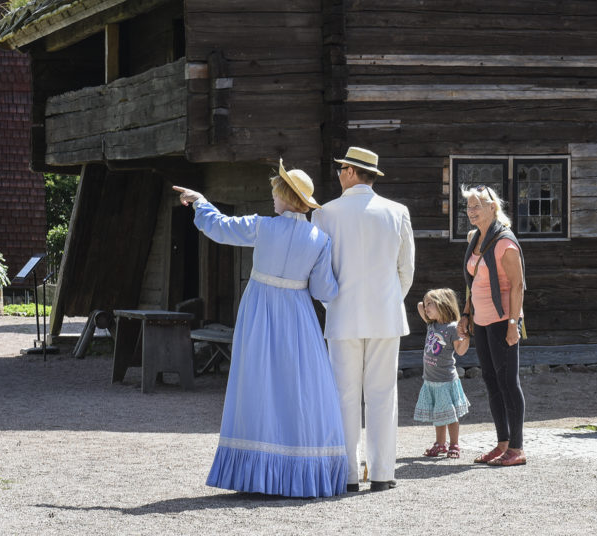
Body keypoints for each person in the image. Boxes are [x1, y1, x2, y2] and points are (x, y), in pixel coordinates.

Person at [172, 161, 347, 498]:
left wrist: (199, 201)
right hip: (298, 315)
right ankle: (300, 472)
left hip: (260, 312)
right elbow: (326, 291)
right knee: (298, 387)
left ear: (284, 196)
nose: (273, 199)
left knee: (258, 383)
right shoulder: (319, 239)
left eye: (275, 194)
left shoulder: (263, 227)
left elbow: (220, 227)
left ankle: (258, 474)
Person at [311, 146, 415, 492]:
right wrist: (386, 301)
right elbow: (406, 271)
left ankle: (347, 474)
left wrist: (335, 304)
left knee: (344, 394)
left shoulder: (325, 213)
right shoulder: (397, 211)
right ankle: (383, 473)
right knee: (383, 394)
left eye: (342, 168)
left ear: (352, 172)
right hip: (386, 314)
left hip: (342, 314)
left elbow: (320, 272)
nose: (339, 173)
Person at [458, 184, 527, 467]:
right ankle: (502, 442)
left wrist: (513, 324)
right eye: (469, 206)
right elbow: (471, 282)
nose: (472, 211)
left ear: (492, 207)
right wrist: (465, 315)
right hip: (482, 320)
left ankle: (518, 448)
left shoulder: (505, 243)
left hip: (502, 320)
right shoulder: (475, 238)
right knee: (491, 380)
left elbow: (519, 285)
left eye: (477, 206)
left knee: (509, 382)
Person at [413, 288, 471, 459]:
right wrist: (428, 303)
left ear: (443, 305)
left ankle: (454, 444)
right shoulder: (432, 324)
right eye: (427, 303)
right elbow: (418, 306)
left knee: (450, 416)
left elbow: (460, 351)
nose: (426, 307)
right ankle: (440, 444)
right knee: (439, 416)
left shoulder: (452, 328)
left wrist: (466, 337)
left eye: (431, 304)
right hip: (430, 380)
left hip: (445, 381)